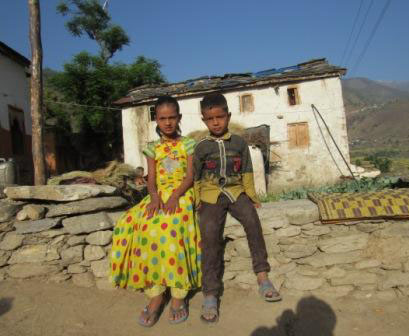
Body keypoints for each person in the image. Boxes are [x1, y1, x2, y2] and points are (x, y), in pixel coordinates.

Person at [110, 95, 201, 327]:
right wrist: (153, 197)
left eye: (172, 117)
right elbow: (151, 179)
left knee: (174, 226)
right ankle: (156, 294)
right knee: (143, 224)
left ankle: (178, 296)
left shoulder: (188, 144)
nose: (168, 122)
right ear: (156, 120)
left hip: (182, 192)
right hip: (159, 193)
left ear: (179, 118)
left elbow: (190, 176)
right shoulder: (152, 148)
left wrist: (176, 196)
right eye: (163, 118)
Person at [193, 92, 281, 324]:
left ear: (228, 116)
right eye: (210, 119)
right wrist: (197, 201)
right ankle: (210, 294)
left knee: (252, 222)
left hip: (236, 193)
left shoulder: (240, 143)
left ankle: (262, 277)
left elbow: (247, 173)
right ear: (203, 120)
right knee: (209, 234)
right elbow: (195, 177)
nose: (215, 122)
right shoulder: (200, 147)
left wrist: (251, 197)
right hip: (211, 196)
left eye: (220, 117)